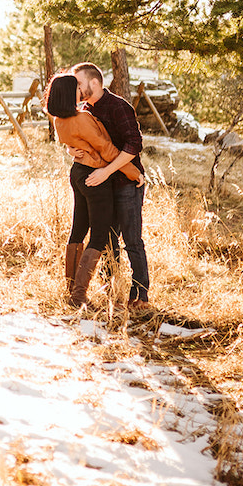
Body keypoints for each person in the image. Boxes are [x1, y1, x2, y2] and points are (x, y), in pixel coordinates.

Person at [44, 73, 144, 307]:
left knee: (78, 229)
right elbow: (106, 149)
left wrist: (72, 150)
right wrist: (133, 172)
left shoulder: (59, 119)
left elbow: (73, 144)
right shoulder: (82, 118)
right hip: (94, 177)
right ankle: (78, 296)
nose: (80, 90)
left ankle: (71, 289)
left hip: (77, 172)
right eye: (76, 87)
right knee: (100, 235)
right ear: (70, 93)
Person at [70, 62, 152, 310]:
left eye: (79, 83)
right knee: (107, 240)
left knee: (132, 240)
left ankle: (141, 296)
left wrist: (106, 171)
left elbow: (134, 145)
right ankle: (111, 291)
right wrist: (72, 149)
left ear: (94, 83)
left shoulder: (119, 107)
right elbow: (83, 142)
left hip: (126, 182)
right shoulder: (84, 110)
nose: (77, 88)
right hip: (101, 187)